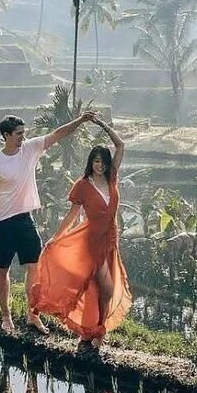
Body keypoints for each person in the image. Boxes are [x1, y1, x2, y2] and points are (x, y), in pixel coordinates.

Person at [0, 111, 96, 334]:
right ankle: (6, 316)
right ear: (6, 135)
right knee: (3, 269)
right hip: (1, 222)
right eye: (19, 134)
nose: (23, 137)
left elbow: (58, 134)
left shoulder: (30, 148)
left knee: (34, 267)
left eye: (24, 133)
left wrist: (80, 120)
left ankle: (32, 314)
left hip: (25, 219)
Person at [32, 116, 131, 348]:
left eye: (103, 161)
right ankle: (97, 332)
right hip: (90, 242)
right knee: (104, 289)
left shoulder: (112, 177)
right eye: (96, 161)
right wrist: (57, 237)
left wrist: (103, 125)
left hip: (111, 239)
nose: (100, 165)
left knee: (99, 289)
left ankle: (91, 333)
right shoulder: (83, 185)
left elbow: (121, 145)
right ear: (91, 162)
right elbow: (73, 215)